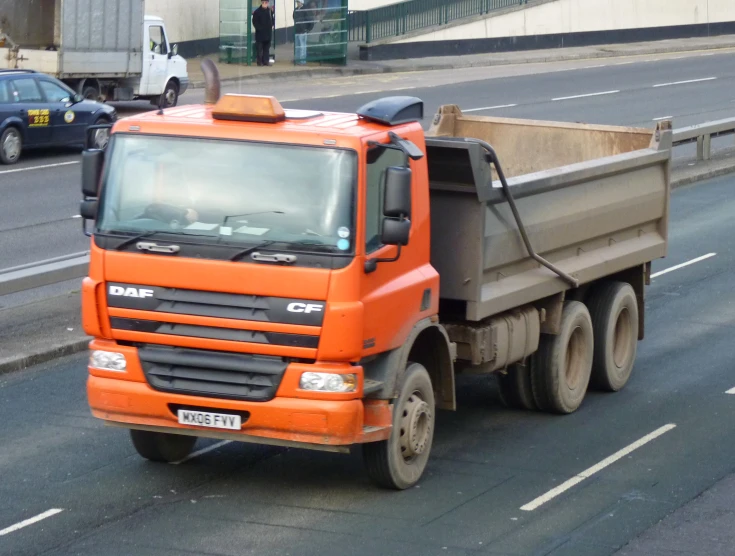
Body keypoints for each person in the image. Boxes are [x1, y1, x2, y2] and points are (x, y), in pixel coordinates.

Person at [252, 0, 275, 67]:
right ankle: (259, 62)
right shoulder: (257, 12)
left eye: (266, 2)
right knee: (259, 49)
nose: (265, 4)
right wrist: (259, 29)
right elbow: (254, 22)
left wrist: (272, 25)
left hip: (268, 33)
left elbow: (272, 19)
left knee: (266, 48)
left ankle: (266, 61)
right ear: (261, 3)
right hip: (260, 34)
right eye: (263, 2)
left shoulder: (270, 11)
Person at [293, 1, 311, 65]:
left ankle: (302, 61)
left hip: (303, 31)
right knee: (297, 47)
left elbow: (310, 21)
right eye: (297, 2)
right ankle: (297, 60)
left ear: (301, 2)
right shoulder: (295, 10)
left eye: (299, 2)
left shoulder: (305, 10)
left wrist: (307, 29)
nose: (297, 3)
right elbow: (294, 18)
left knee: (302, 47)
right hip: (297, 31)